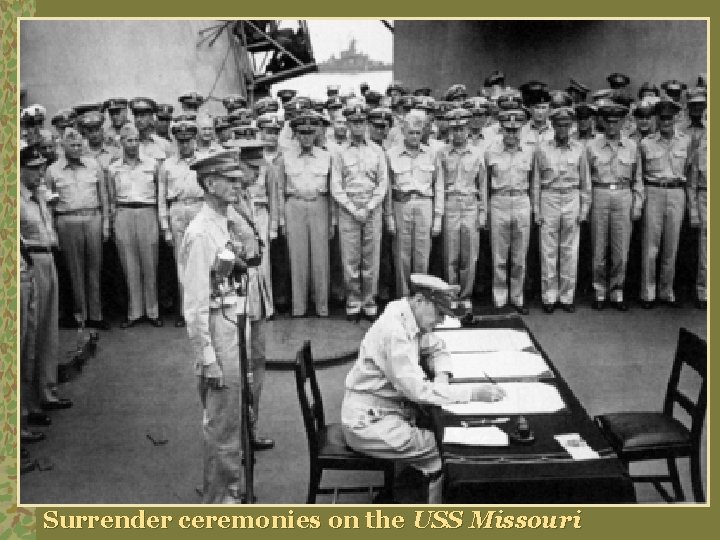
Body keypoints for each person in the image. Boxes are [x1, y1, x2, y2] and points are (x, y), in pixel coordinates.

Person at [341, 273, 505, 504]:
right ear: (420, 300)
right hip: (369, 422)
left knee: (436, 429)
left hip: (384, 409)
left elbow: (437, 346)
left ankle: (411, 488)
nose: (440, 321)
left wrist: (442, 375)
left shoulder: (405, 313)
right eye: (438, 313)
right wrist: (472, 394)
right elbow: (416, 390)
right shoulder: (395, 331)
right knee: (442, 451)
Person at [179, 149, 250, 504]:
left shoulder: (226, 222)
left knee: (235, 417)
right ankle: (219, 503)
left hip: (234, 323)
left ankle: (230, 490)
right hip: (219, 333)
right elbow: (194, 305)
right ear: (209, 184)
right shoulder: (201, 233)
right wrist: (208, 359)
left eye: (239, 178)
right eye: (231, 179)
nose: (239, 184)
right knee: (222, 423)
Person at [20, 144, 73, 411]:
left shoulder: (40, 194)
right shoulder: (16, 199)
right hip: (29, 261)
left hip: (48, 257)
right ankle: (28, 405)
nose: (39, 174)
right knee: (31, 332)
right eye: (32, 169)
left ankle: (47, 391)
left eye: (41, 168)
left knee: (49, 329)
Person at [46, 127, 110, 329]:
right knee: (74, 270)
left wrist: (106, 223)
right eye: (71, 145)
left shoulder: (93, 165)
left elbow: (104, 197)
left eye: (78, 145)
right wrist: (51, 230)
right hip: (67, 220)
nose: (76, 149)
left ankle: (96, 315)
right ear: (62, 146)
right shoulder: (53, 170)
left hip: (92, 217)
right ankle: (79, 315)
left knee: (94, 269)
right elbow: (47, 203)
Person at [330, 104, 388, 321]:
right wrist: (354, 209)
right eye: (353, 122)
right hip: (349, 209)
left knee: (371, 259)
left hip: (372, 209)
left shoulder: (377, 151)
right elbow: (336, 185)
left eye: (361, 122)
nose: (357, 126)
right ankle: (353, 301)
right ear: (347, 124)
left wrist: (370, 207)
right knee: (350, 259)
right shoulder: (339, 153)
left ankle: (369, 301)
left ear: (366, 124)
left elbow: (383, 183)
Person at [586, 103, 643, 310]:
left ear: (622, 123)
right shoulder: (592, 146)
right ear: (602, 121)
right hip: (599, 192)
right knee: (599, 247)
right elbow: (585, 179)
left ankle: (617, 291)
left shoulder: (632, 146)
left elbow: (638, 178)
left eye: (615, 122)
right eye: (608, 121)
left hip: (623, 193)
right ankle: (599, 291)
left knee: (621, 249)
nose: (611, 126)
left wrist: (638, 203)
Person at [533, 107, 591, 313]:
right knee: (548, 250)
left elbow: (585, 181)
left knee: (569, 250)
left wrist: (584, 208)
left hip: (571, 196)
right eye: (559, 125)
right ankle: (549, 297)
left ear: (572, 126)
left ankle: (567, 297)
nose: (563, 129)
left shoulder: (579, 149)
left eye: (566, 125)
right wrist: (536, 209)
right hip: (549, 196)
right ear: (553, 126)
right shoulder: (542, 148)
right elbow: (536, 181)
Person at [108, 123, 163, 327]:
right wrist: (112, 222)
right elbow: (111, 197)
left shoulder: (152, 165)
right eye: (128, 140)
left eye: (135, 140)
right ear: (121, 142)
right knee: (129, 264)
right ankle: (135, 312)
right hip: (124, 212)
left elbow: (160, 193)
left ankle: (153, 311)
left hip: (147, 211)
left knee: (150, 263)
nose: (132, 144)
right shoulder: (113, 168)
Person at [639, 98, 692, 308]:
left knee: (671, 245)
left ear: (676, 118)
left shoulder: (685, 141)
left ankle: (666, 291)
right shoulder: (646, 143)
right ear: (656, 119)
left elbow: (689, 169)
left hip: (677, 191)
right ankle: (648, 293)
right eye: (662, 118)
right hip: (654, 191)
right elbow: (640, 173)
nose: (666, 122)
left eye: (669, 117)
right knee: (650, 246)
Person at [279, 113, 334, 317]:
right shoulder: (285, 157)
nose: (306, 138)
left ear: (317, 133)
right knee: (297, 258)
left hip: (320, 204)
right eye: (302, 133)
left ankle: (321, 307)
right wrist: (282, 220)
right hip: (295, 204)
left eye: (310, 133)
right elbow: (280, 189)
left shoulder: (326, 156)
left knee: (321, 259)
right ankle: (299, 307)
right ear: (295, 134)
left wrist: (333, 220)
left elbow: (333, 189)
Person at [386, 111, 444, 298]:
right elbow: (387, 189)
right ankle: (403, 298)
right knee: (401, 255)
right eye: (410, 132)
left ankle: (421, 297)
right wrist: (389, 217)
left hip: (424, 204)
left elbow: (439, 185)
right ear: (403, 132)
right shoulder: (391, 155)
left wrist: (437, 218)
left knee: (422, 255)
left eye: (418, 133)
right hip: (401, 204)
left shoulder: (431, 154)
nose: (414, 136)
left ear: (423, 133)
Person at [486, 109, 535, 314]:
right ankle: (499, 298)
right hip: (500, 201)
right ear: (501, 129)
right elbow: (486, 182)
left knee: (519, 255)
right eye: (508, 130)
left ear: (521, 130)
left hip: (522, 200)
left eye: (515, 130)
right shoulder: (491, 152)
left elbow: (534, 181)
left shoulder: (530, 151)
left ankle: (517, 297)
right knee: (499, 255)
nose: (512, 135)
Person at [439, 108, 486, 312]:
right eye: (455, 129)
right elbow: (439, 184)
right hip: (450, 204)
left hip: (469, 204)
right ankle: (451, 294)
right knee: (451, 254)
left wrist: (483, 211)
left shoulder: (477, 153)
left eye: (462, 129)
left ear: (468, 129)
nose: (458, 133)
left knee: (469, 255)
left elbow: (483, 184)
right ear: (449, 130)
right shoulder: (441, 153)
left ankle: (466, 295)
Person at [158, 118, 204, 327]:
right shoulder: (167, 165)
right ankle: (185, 311)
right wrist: (165, 227)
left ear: (195, 139)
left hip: (199, 208)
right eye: (181, 141)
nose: (185, 145)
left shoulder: (204, 161)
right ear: (176, 141)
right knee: (182, 263)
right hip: (177, 209)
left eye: (188, 140)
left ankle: (203, 308)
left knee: (203, 260)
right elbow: (161, 199)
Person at [687, 128, 707, 310]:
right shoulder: (701, 153)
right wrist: (693, 211)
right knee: (706, 249)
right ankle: (704, 292)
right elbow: (692, 185)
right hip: (705, 197)